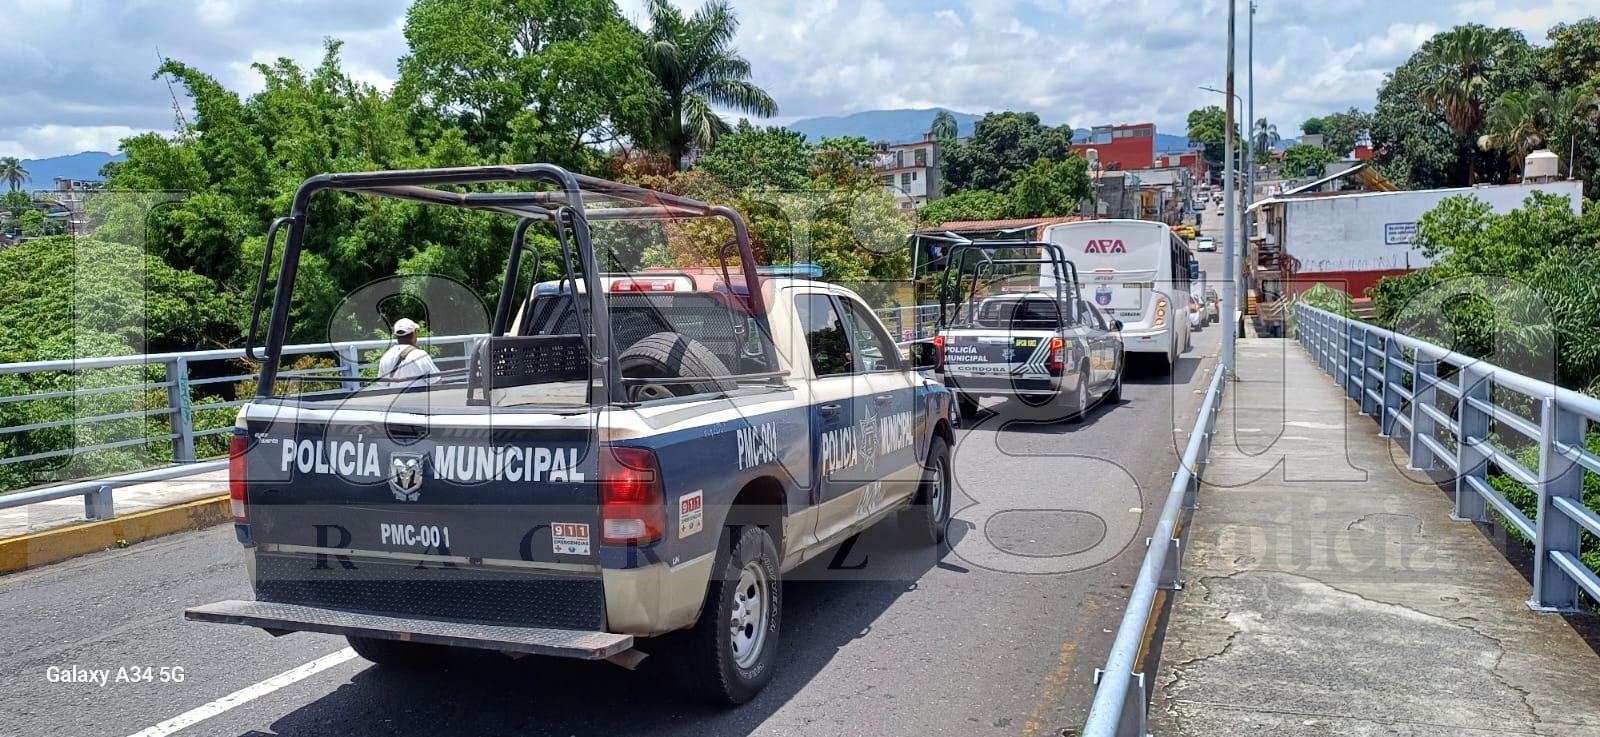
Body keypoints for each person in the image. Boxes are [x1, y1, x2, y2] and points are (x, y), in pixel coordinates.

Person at [376, 318, 440, 388]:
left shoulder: (386, 356)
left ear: (396, 336)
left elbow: (382, 385)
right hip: (418, 398)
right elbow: (436, 382)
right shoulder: (420, 356)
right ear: (415, 333)